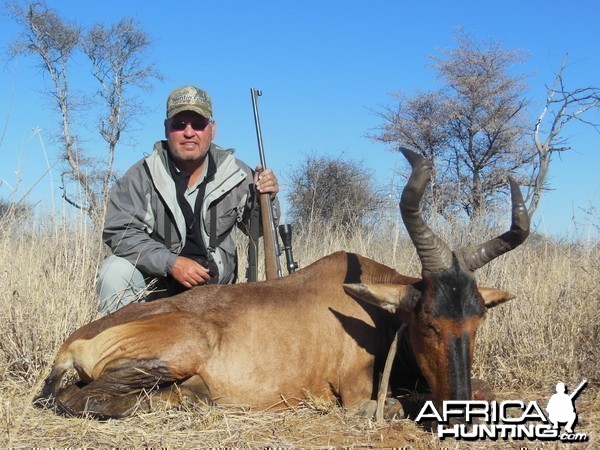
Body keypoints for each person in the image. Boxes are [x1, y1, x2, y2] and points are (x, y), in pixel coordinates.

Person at [96, 86, 280, 314]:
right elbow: (119, 232)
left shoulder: (237, 173)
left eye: (198, 124)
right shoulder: (141, 175)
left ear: (212, 130)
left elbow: (258, 231)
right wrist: (170, 263)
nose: (189, 132)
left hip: (219, 292)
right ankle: (125, 345)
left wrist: (267, 198)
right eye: (179, 124)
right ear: (166, 128)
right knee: (113, 271)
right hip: (158, 290)